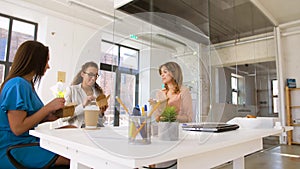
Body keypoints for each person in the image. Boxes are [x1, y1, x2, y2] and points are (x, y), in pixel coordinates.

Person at [0, 40, 70, 168]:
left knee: (71, 130)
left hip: (25, 142)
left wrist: (47, 117)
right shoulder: (17, 84)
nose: (48, 66)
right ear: (36, 61)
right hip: (14, 148)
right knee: (73, 157)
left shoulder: (27, 85)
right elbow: (18, 128)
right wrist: (48, 108)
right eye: (46, 61)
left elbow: (27, 119)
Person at [65, 61, 108, 127]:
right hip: (77, 132)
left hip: (95, 132)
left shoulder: (98, 93)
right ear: (82, 74)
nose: (93, 78)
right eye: (90, 74)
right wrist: (83, 105)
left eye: (96, 75)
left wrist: (101, 113)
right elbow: (63, 117)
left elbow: (101, 122)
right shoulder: (72, 90)